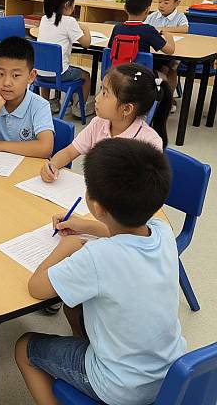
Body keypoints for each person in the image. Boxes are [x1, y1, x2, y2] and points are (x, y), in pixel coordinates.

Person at [16, 138, 186, 405]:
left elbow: (36, 287)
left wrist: (66, 248)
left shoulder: (97, 257)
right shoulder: (163, 231)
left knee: (24, 347)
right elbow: (124, 232)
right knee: (77, 305)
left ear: (97, 207)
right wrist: (86, 226)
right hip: (171, 373)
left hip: (119, 386)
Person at [40, 63, 172, 183]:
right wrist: (52, 166)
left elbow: (143, 189)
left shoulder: (149, 142)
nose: (96, 98)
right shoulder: (98, 123)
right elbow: (69, 152)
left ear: (126, 109)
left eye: (104, 93)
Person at [0, 36, 54, 158]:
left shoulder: (39, 105)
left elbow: (45, 148)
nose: (7, 82)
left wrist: (0, 145)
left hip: (28, 169)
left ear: (31, 76)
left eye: (16, 75)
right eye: (1, 74)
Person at [37, 0, 93, 118]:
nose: (74, 7)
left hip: (39, 73)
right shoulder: (69, 21)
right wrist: (86, 29)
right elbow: (86, 43)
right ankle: (78, 108)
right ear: (68, 4)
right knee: (86, 76)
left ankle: (47, 105)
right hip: (60, 75)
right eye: (74, 4)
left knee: (49, 65)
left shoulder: (44, 19)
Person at [145, 0, 188, 111]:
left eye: (166, 2)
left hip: (172, 52)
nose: (161, 5)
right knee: (160, 68)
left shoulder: (180, 17)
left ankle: (168, 98)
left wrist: (164, 29)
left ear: (177, 3)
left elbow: (185, 29)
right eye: (159, 1)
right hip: (155, 50)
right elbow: (146, 27)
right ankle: (157, 96)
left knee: (171, 68)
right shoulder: (153, 16)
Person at [108, 0, 175, 58]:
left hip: (119, 68)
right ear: (147, 10)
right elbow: (170, 51)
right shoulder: (148, 30)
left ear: (125, 8)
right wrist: (169, 36)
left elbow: (110, 49)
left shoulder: (117, 28)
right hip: (140, 69)